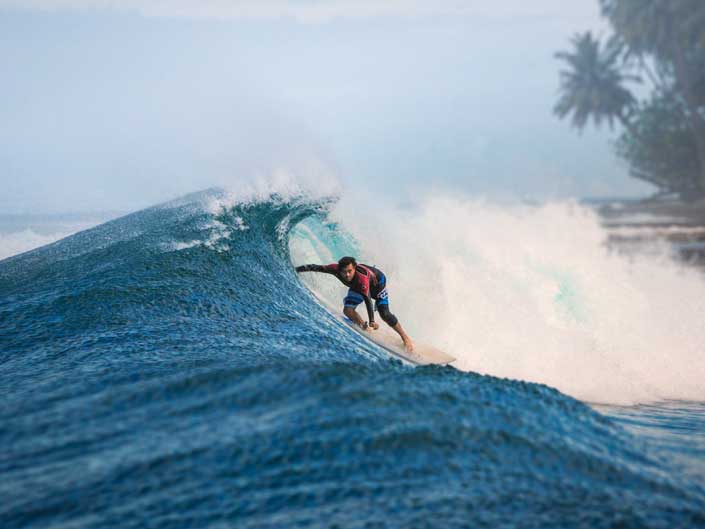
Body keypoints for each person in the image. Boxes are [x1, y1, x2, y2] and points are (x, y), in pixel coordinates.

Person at [295, 256, 414, 352]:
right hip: (358, 287)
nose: (347, 275)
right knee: (348, 310)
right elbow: (316, 267)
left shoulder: (361, 279)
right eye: (344, 272)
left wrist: (372, 320)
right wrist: (296, 269)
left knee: (385, 314)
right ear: (339, 270)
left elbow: (367, 299)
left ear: (355, 268)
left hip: (378, 285)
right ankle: (364, 326)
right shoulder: (334, 269)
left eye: (350, 271)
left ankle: (405, 337)